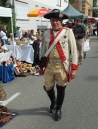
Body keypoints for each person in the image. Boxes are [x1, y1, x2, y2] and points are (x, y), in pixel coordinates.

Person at [39, 9, 78, 121]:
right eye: (52, 20)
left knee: (61, 87)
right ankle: (53, 102)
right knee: (48, 87)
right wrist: (41, 66)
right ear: (50, 21)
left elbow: (74, 51)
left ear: (61, 21)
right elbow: (43, 51)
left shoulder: (68, 32)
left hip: (62, 65)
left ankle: (58, 108)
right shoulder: (46, 33)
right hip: (49, 65)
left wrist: (74, 68)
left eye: (57, 20)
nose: (54, 22)